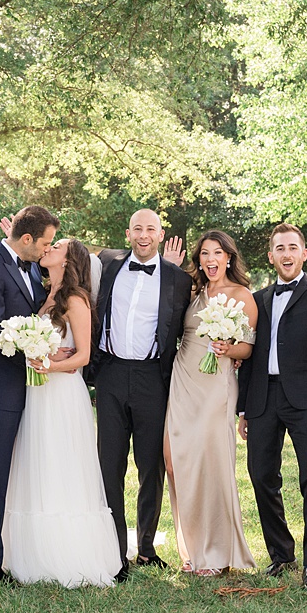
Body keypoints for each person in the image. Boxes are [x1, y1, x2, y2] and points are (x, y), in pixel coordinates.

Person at [2, 238, 119, 587]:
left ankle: (68, 553)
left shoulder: (75, 299)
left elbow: (83, 355)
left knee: (61, 465)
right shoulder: (44, 296)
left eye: (57, 247)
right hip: (37, 393)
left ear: (69, 261)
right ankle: (32, 552)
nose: (48, 248)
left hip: (62, 394)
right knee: (37, 463)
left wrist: (48, 364)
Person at [236, 223, 307, 594]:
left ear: (304, 254)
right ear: (271, 256)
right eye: (279, 248)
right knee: (260, 473)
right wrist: (243, 409)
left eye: (292, 247)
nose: (286, 253)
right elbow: (248, 355)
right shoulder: (259, 298)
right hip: (263, 397)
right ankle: (282, 553)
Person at [90, 209, 194, 576]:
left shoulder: (179, 279)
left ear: (161, 234)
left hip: (154, 378)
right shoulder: (107, 264)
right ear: (128, 233)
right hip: (112, 374)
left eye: (151, 229)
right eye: (138, 229)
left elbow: (188, 327)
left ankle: (147, 547)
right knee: (110, 463)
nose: (144, 235)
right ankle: (115, 550)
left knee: (151, 466)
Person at [0, 205, 59, 583]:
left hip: (29, 388)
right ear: (26, 240)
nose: (46, 250)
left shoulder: (32, 266)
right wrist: (33, 344)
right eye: (45, 243)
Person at [161, 230, 257, 575]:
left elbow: (248, 346)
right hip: (183, 379)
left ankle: (216, 554)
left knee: (210, 463)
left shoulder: (242, 295)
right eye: (204, 253)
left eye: (217, 253)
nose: (211, 259)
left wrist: (228, 349)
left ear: (229, 257)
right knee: (175, 462)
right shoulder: (192, 291)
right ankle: (191, 549)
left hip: (216, 383)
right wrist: (170, 268)